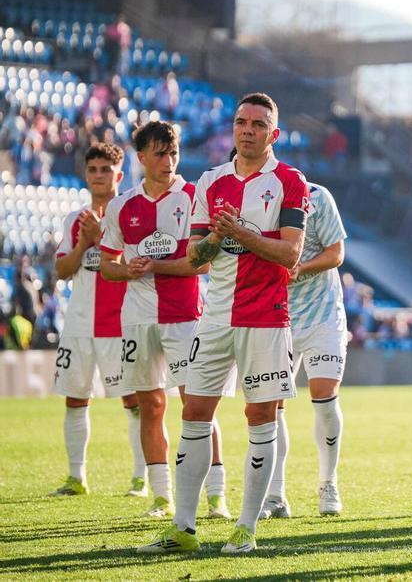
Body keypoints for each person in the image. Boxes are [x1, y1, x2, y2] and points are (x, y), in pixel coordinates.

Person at [137, 92, 309, 554]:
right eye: (241, 122)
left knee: (260, 416)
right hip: (213, 319)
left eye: (257, 123)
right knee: (194, 412)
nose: (248, 129)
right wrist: (216, 235)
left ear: (273, 134)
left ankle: (246, 528)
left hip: (267, 320)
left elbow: (291, 253)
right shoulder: (210, 183)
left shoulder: (290, 182)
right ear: (232, 129)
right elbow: (195, 257)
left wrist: (243, 234)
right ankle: (183, 528)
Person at [99, 121, 231, 520]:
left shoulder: (194, 197)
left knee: (197, 406)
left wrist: (156, 264)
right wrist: (129, 271)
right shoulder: (122, 206)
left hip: (185, 319)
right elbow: (107, 266)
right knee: (150, 405)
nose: (168, 161)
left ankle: (216, 496)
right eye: (159, 153)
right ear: (141, 157)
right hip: (137, 320)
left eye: (173, 153)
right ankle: (161, 496)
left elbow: (203, 265)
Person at [49, 143, 142, 497]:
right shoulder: (74, 219)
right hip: (79, 323)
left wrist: (101, 236)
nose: (99, 176)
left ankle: (139, 476)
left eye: (107, 170)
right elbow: (61, 271)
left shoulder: (132, 214)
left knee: (133, 401)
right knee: (74, 398)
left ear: (119, 175)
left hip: (120, 323)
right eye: (93, 170)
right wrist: (84, 241)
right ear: (86, 174)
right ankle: (76, 477)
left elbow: (133, 265)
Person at [263, 181, 348, 519]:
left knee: (324, 397)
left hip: (323, 314)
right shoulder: (250, 198)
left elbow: (336, 253)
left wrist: (300, 268)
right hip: (274, 315)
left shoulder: (316, 196)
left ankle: (329, 483)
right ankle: (275, 494)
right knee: (272, 407)